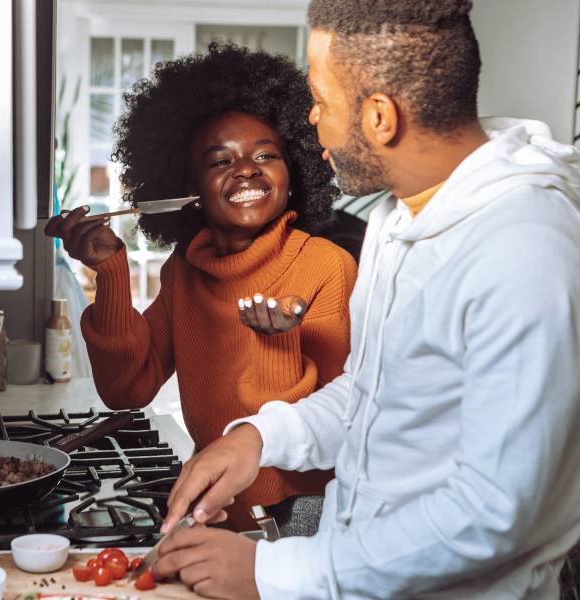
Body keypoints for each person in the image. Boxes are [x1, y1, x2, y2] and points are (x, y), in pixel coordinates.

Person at [153, 1, 580, 598]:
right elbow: (378, 392)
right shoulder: (400, 219)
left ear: (379, 117)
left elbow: (492, 513)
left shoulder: (527, 252)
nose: (311, 118)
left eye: (320, 97)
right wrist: (260, 438)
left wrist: (276, 572)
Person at [44, 43, 357, 532]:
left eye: (266, 155)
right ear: (188, 190)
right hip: (213, 511)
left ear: (294, 173)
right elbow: (127, 389)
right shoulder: (184, 272)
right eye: (219, 161)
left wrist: (277, 344)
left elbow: (344, 424)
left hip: (300, 522)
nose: (246, 168)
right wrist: (110, 274)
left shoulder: (327, 267)